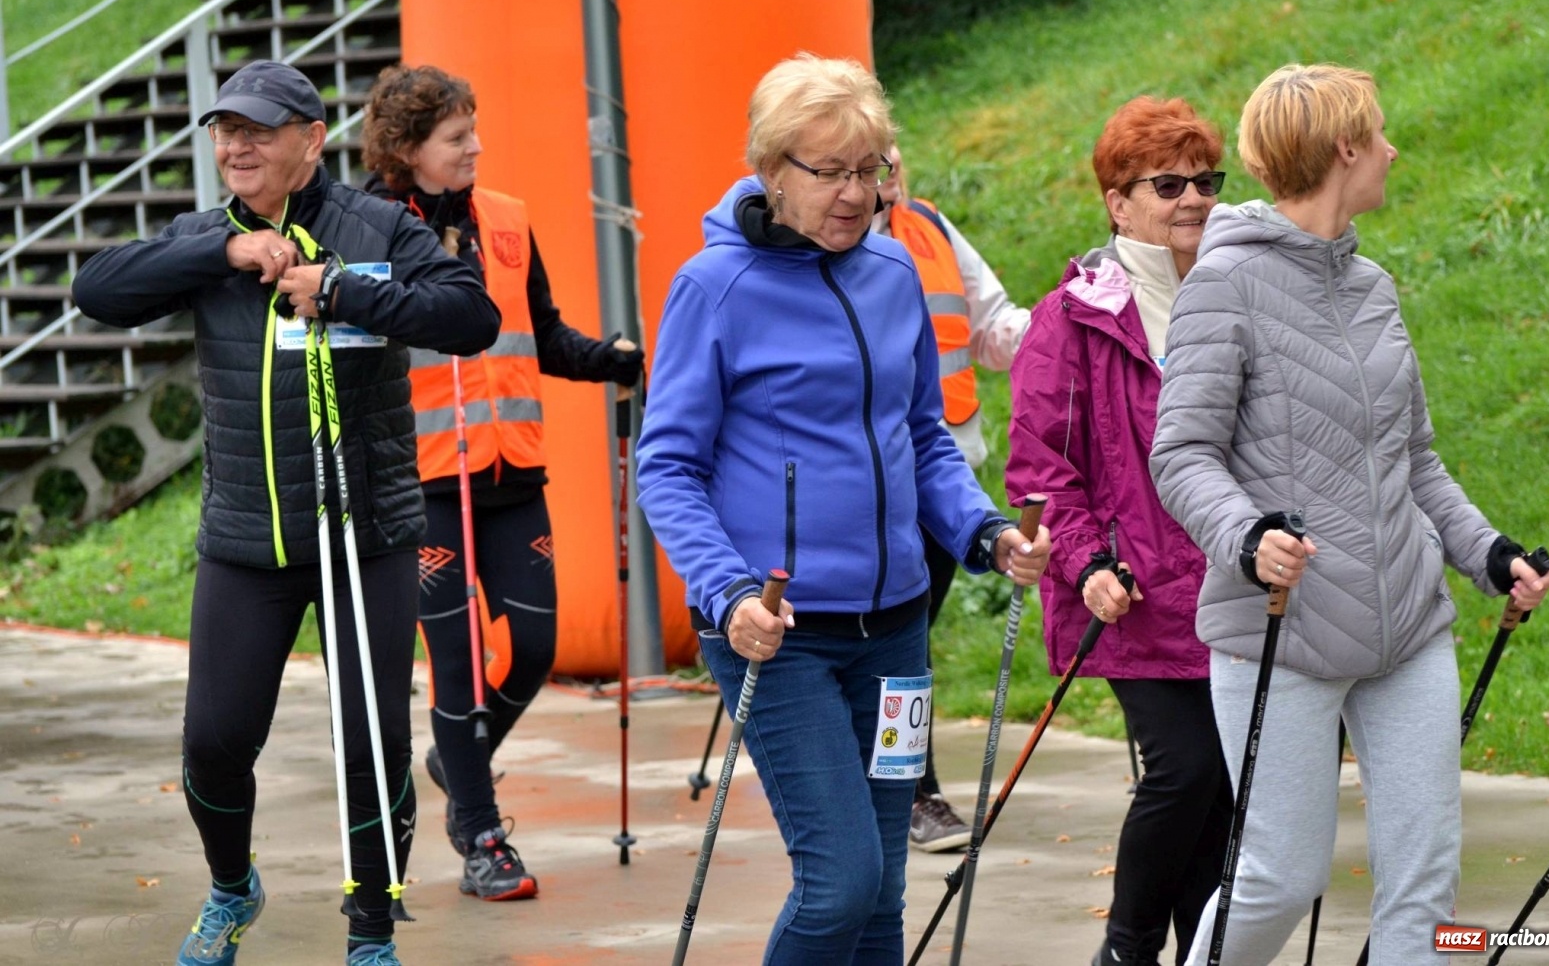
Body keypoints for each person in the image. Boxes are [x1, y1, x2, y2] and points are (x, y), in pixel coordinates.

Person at [72, 60, 501, 966]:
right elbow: (98, 290)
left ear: (311, 140)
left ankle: (373, 932)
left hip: (366, 536)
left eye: (259, 130)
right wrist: (221, 253)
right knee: (214, 746)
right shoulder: (205, 237)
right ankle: (233, 887)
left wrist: (345, 290)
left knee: (371, 745)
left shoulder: (376, 224)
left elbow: (471, 315)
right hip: (245, 543)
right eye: (226, 130)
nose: (236, 145)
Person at [634, 53, 1051, 965]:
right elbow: (665, 466)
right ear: (771, 172)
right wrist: (727, 591)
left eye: (872, 171)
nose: (858, 194)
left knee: (886, 899)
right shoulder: (715, 287)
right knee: (841, 884)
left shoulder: (893, 272)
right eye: (832, 173)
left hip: (896, 631)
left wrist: (985, 531)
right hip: (778, 632)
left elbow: (923, 436)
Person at [1148, 63, 1549, 965]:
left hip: (1407, 624)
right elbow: (1180, 454)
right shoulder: (1226, 284)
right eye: (1379, 135)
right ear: (1343, 150)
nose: (1392, 150)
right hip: (1280, 637)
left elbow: (1412, 460)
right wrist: (1247, 536)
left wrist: (1487, 552)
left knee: (1425, 880)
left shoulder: (1372, 286)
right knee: (1280, 879)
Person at [360, 64, 644, 901]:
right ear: (407, 150)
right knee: (456, 666)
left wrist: (607, 361)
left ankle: (456, 763)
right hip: (425, 485)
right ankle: (481, 835)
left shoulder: (508, 221)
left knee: (536, 649)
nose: (476, 147)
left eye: (475, 130)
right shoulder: (367, 224)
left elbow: (541, 335)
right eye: (457, 138)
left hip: (514, 475)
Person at [1005, 96, 1234, 966]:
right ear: (1117, 200)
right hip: (1131, 595)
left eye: (1206, 181)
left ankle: (1202, 953)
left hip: (1229, 587)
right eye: (1167, 182)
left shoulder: (1232, 296)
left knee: (1219, 797)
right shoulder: (1071, 317)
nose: (1193, 199)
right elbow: (1042, 470)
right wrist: (1089, 562)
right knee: (1182, 771)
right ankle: (1125, 948)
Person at [873, 143, 1031, 853]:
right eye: (875, 162)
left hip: (943, 470)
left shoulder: (929, 227)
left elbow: (994, 324)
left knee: (911, 645)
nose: (892, 174)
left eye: (897, 158)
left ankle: (910, 790)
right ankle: (906, 788)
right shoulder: (814, 248)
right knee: (894, 648)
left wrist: (1056, 330)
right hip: (867, 484)